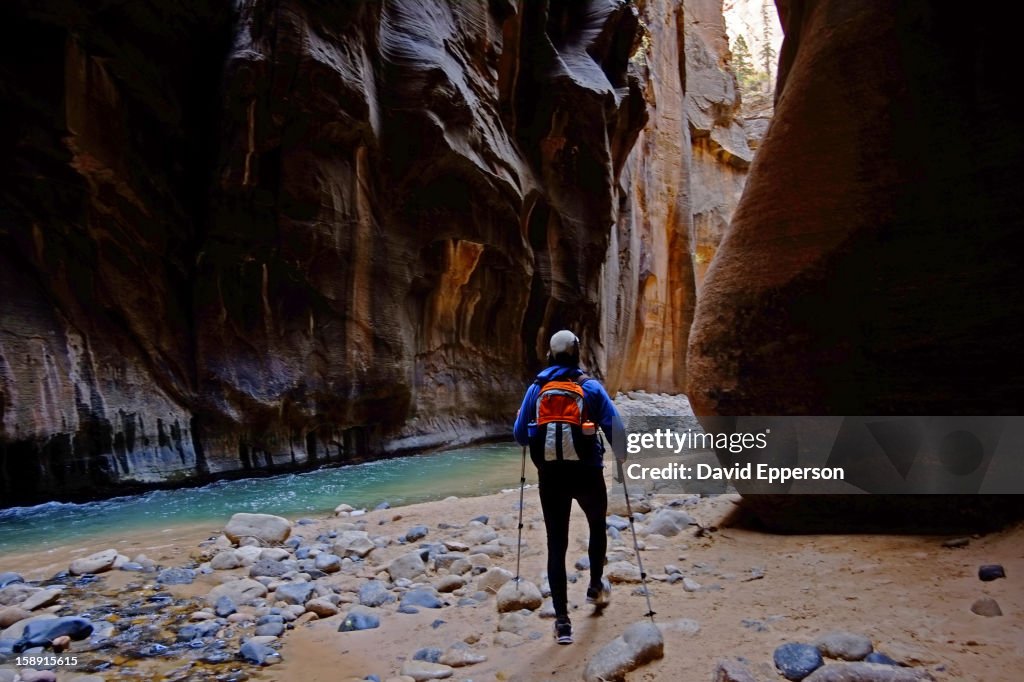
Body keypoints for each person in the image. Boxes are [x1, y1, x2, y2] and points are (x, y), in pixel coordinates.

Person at [513, 329, 625, 644]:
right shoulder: (590, 388)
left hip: (551, 478)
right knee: (597, 527)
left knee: (556, 544)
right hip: (587, 473)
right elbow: (618, 433)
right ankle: (595, 587)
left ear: (550, 354)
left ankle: (562, 621)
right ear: (576, 353)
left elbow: (521, 435)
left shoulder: (536, 390)